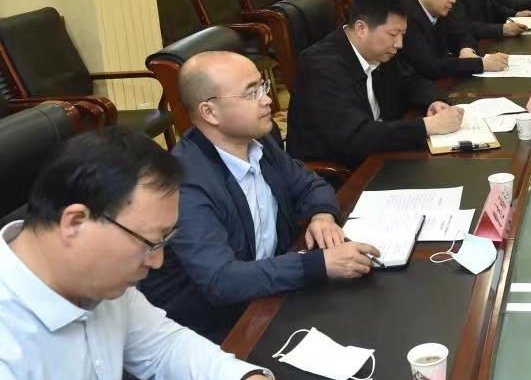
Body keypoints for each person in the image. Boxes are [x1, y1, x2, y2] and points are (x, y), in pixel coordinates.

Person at [0, 127, 339, 380]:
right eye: (150, 243)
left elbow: (163, 347)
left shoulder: (93, 280)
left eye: (165, 241)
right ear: (75, 222)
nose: (157, 261)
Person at [140, 52, 381, 342]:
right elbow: (222, 281)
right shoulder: (186, 182)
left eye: (263, 86)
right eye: (251, 92)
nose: (267, 100)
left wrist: (322, 215)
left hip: (270, 299)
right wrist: (319, 264)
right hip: (216, 330)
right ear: (210, 112)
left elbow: (310, 185)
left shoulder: (258, 142)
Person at [287, 0, 464, 170]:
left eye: (402, 34)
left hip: (381, 152)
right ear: (361, 28)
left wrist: (434, 101)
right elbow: (356, 136)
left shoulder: (380, 50)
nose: (399, 44)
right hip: (343, 172)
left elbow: (410, 81)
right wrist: (428, 126)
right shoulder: (321, 66)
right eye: (393, 34)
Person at [402, 0, 509, 79]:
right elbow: (431, 66)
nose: (453, 0)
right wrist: (481, 64)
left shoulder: (436, 9)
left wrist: (466, 49)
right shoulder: (405, 17)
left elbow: (462, 31)